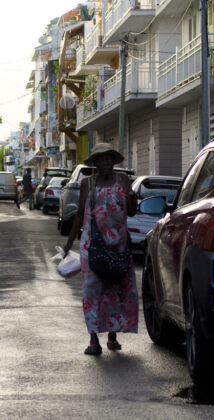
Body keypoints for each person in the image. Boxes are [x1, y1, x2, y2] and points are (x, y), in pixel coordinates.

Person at [63, 143, 138, 355]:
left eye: (108, 159)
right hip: (92, 245)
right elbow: (79, 214)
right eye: (100, 159)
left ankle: (112, 335)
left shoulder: (123, 180)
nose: (105, 163)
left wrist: (133, 199)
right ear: (95, 163)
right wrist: (70, 242)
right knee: (92, 291)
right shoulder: (88, 183)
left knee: (115, 290)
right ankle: (93, 338)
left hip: (118, 246)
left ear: (113, 161)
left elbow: (131, 212)